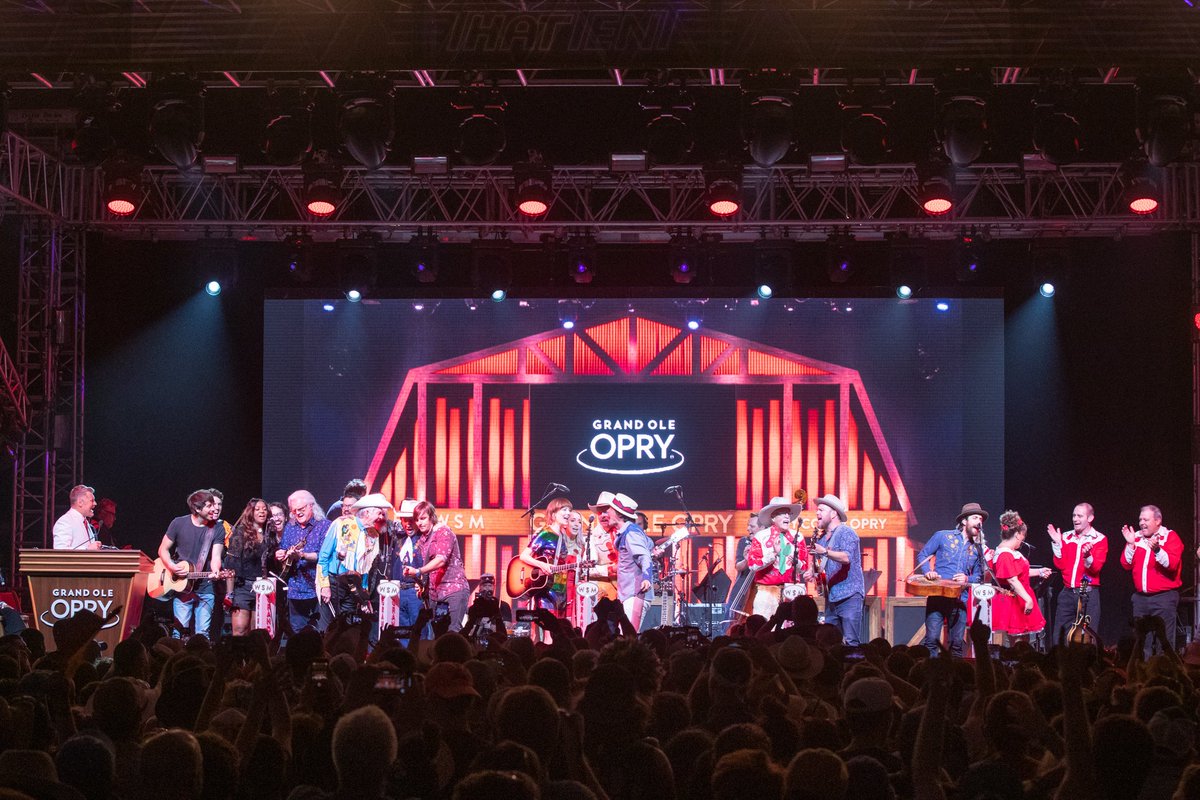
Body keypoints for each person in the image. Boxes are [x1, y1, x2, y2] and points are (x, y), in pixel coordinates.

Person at [916, 502, 990, 657]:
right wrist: (928, 572)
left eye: (981, 519)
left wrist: (967, 578)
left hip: (959, 600)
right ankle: (930, 671)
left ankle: (955, 672)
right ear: (964, 521)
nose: (979, 521)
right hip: (938, 595)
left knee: (956, 644)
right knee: (931, 641)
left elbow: (979, 576)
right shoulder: (943, 536)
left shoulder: (977, 549)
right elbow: (923, 555)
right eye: (975, 517)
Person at [156, 489, 225, 639]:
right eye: (209, 506)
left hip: (205, 587)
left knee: (202, 635)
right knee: (179, 633)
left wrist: (215, 570)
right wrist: (171, 566)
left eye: (215, 505)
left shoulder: (218, 528)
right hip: (182, 586)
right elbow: (163, 549)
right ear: (197, 509)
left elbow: (216, 557)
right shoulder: (178, 523)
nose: (215, 509)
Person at [1121, 504, 1183, 655]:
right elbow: (1126, 564)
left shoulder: (1170, 536)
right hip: (1141, 600)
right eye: (1140, 519)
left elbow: (1172, 565)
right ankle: (1143, 669)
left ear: (1158, 520)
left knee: (1165, 644)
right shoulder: (1136, 537)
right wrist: (1130, 544)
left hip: (1164, 598)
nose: (1141, 523)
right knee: (1142, 645)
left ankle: (1163, 669)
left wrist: (1157, 550)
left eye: (1146, 519)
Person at [403, 501, 470, 632]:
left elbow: (440, 560)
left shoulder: (443, 532)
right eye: (417, 520)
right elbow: (430, 569)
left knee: (453, 632)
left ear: (431, 517)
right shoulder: (422, 540)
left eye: (423, 518)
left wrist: (418, 571)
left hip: (453, 589)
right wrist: (421, 583)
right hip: (435, 594)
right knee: (437, 635)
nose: (419, 523)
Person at [1048, 502, 1108, 643]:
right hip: (1067, 593)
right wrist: (1057, 544)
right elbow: (1060, 565)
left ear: (1090, 518)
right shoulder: (1066, 537)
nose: (1075, 519)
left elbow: (1095, 569)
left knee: (1087, 638)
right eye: (1074, 515)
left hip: (1088, 594)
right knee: (1060, 637)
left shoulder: (1099, 539)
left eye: (1080, 516)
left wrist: (1087, 556)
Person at [592, 492, 654, 628]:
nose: (606, 514)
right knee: (625, 635)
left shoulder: (631, 533)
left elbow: (644, 556)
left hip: (635, 594)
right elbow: (649, 545)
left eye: (609, 510)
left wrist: (646, 578)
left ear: (619, 514)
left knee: (628, 636)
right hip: (628, 594)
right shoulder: (629, 532)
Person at [811, 494, 865, 646]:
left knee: (851, 641)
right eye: (817, 510)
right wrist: (812, 573)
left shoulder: (846, 532)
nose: (817, 513)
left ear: (834, 513)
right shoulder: (822, 539)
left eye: (821, 510)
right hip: (832, 598)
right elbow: (822, 567)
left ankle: (854, 662)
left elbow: (846, 557)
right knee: (829, 643)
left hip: (849, 596)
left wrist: (824, 552)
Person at [276, 490, 332, 635]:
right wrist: (281, 554)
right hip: (295, 588)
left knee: (321, 632)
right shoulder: (290, 527)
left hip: (318, 587)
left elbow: (324, 556)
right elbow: (284, 548)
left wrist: (302, 555)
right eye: (294, 511)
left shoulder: (325, 526)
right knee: (297, 633)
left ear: (311, 506)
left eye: (301, 509)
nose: (298, 513)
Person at [991, 510, 1052, 644]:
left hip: (1020, 598)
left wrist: (1040, 571)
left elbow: (1020, 572)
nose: (1023, 541)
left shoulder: (1011, 552)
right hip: (1014, 601)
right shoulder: (1004, 555)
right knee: (1017, 642)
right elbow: (1012, 579)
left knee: (1023, 641)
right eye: (1023, 537)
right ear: (1018, 535)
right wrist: (1028, 599)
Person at [745, 496, 809, 620]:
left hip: (792, 591)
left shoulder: (798, 537)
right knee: (765, 627)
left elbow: (804, 567)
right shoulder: (761, 537)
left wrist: (796, 562)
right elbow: (753, 565)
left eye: (788, 513)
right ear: (773, 517)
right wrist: (773, 554)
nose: (787, 516)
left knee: (791, 627)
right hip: (767, 592)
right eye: (782, 513)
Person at [519, 497, 573, 621]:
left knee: (559, 628)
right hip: (546, 591)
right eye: (564, 510)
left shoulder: (563, 536)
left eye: (569, 510)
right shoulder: (545, 533)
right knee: (547, 627)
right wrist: (542, 565)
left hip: (560, 589)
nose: (568, 513)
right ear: (553, 514)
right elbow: (524, 556)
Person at [223, 498, 269, 636]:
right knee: (240, 630)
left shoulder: (269, 533)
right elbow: (231, 563)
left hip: (263, 588)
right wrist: (229, 594)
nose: (262, 512)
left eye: (264, 509)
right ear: (251, 512)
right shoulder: (241, 532)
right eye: (257, 509)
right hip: (242, 586)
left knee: (256, 632)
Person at [388, 499, 425, 642]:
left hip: (415, 592)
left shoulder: (424, 540)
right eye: (405, 520)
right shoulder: (398, 538)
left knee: (419, 631)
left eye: (411, 520)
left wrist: (424, 584)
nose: (408, 524)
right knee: (401, 632)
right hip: (398, 590)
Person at [726, 513, 761, 622]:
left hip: (759, 590)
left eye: (752, 526)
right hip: (740, 589)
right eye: (748, 525)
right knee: (731, 621)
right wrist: (746, 560)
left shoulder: (770, 545)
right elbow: (738, 566)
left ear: (763, 528)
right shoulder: (744, 541)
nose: (748, 529)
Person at [53, 484, 100, 550]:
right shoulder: (65, 522)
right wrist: (87, 549)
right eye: (92, 500)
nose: (95, 503)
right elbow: (60, 550)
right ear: (80, 502)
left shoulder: (85, 522)